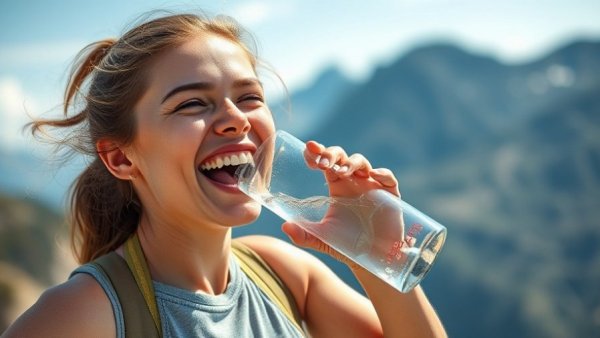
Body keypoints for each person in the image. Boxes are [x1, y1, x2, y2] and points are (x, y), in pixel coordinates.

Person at [2, 11, 447, 338]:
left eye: (249, 97)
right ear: (121, 158)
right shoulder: (83, 315)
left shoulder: (284, 274)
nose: (236, 119)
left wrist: (377, 256)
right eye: (192, 103)